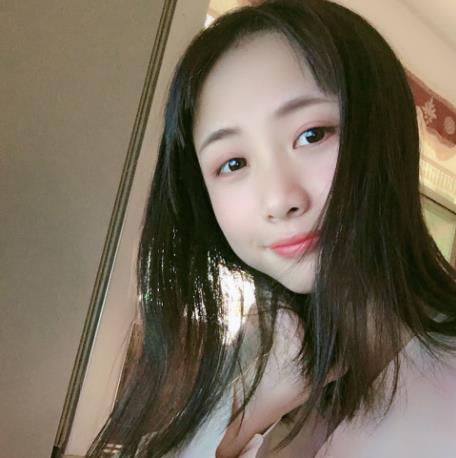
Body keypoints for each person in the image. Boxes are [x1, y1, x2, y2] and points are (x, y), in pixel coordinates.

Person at [86, 1, 456, 457]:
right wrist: (255, 407)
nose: (279, 200)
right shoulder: (251, 355)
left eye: (312, 134)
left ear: (386, 130)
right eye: (233, 163)